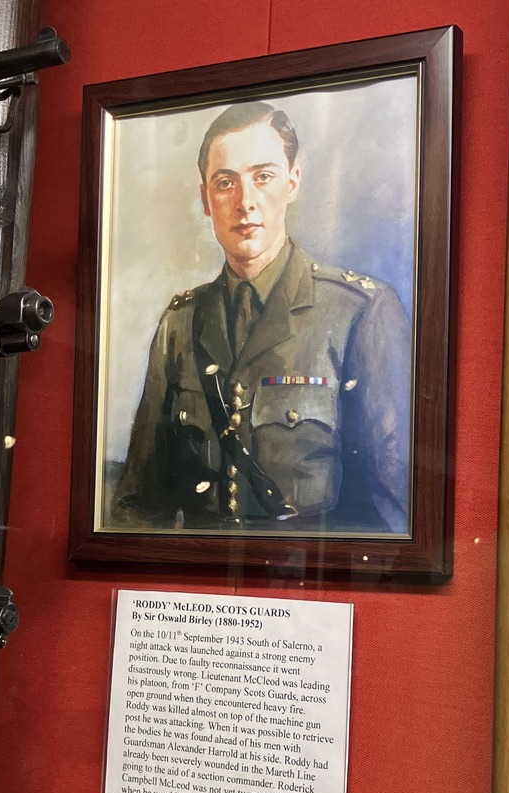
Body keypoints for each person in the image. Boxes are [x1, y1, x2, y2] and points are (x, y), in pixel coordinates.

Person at [112, 100, 412, 535]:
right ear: (205, 200)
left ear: (293, 182)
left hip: (309, 589)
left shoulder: (360, 313)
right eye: (225, 182)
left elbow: (389, 517)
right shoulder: (180, 325)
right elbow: (139, 505)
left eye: (263, 177)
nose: (244, 202)